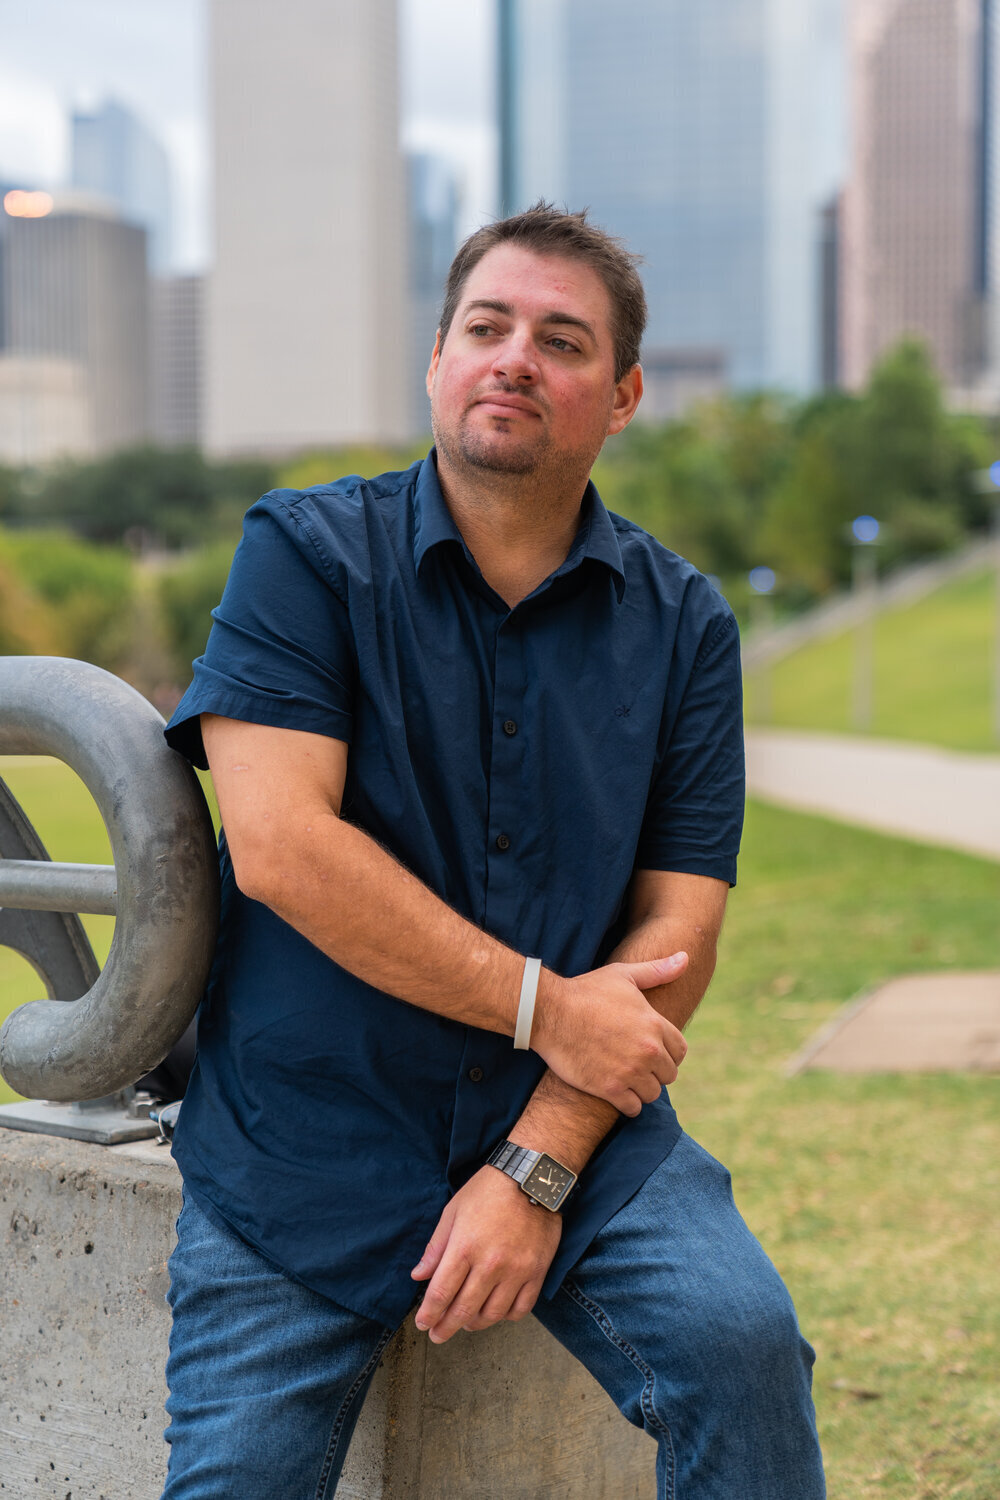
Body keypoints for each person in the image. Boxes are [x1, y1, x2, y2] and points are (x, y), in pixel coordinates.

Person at [159, 204, 826, 1499]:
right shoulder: (302, 553)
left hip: (586, 1153)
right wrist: (543, 1007)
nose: (516, 356)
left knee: (747, 1352)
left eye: (563, 340)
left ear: (624, 394)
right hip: (304, 1143)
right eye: (488, 326)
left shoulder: (686, 624)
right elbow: (282, 848)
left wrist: (539, 1162)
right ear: (438, 361)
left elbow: (676, 933)